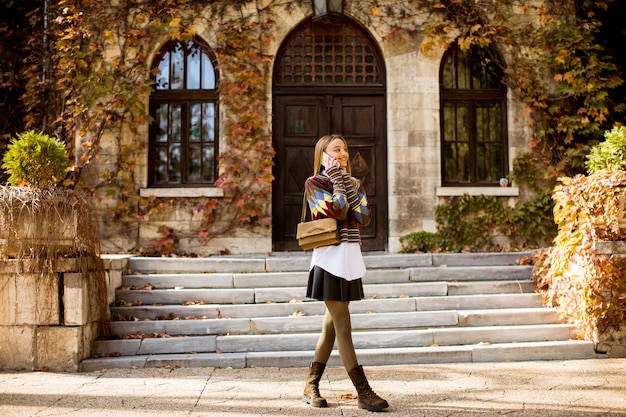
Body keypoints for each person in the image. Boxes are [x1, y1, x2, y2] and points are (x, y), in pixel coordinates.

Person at [301, 134, 389, 412]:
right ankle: (364, 393)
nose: (342, 154)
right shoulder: (314, 183)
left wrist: (347, 184)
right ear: (323, 154)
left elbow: (364, 217)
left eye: (345, 150)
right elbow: (336, 212)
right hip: (329, 261)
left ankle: (310, 384)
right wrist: (338, 180)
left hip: (349, 259)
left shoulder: (354, 184)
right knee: (344, 329)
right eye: (336, 150)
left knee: (330, 329)